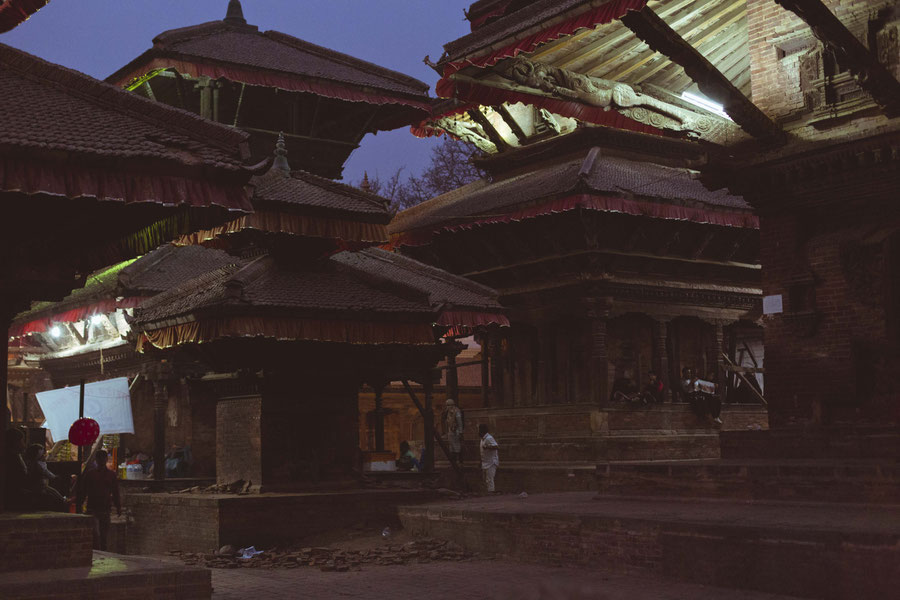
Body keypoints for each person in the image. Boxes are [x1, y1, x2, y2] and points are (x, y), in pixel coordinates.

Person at [76, 449, 122, 550]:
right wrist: (79, 504)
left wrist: (118, 506)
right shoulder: (90, 474)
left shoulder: (111, 475)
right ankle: (96, 553)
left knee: (103, 536)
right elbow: (84, 491)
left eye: (103, 458)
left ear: (105, 459)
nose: (101, 460)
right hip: (93, 509)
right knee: (96, 534)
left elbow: (115, 492)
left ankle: (102, 554)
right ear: (97, 460)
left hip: (105, 509)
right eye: (100, 458)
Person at [24, 443, 66, 510]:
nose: (44, 455)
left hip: (39, 484)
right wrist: (54, 477)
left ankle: (62, 499)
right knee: (53, 491)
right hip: (39, 485)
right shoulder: (39, 464)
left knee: (52, 491)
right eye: (42, 454)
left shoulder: (33, 463)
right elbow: (47, 472)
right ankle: (63, 500)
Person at [2, 428, 29, 510]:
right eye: (22, 441)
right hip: (14, 495)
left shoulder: (17, 456)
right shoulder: (11, 458)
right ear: (15, 443)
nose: (24, 445)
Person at [478, 424, 499, 493]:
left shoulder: (489, 438)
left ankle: (491, 493)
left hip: (491, 462)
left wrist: (487, 447)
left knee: (490, 479)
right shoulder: (482, 439)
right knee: (485, 480)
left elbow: (496, 447)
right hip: (485, 462)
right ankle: (487, 493)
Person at [442, 399, 464, 466]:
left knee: (457, 447)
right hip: (450, 431)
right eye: (447, 405)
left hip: (456, 431)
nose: (447, 407)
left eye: (448, 405)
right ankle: (453, 462)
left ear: (452, 405)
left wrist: (460, 432)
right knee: (451, 447)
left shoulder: (457, 412)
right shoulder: (448, 412)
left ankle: (460, 462)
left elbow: (460, 423)